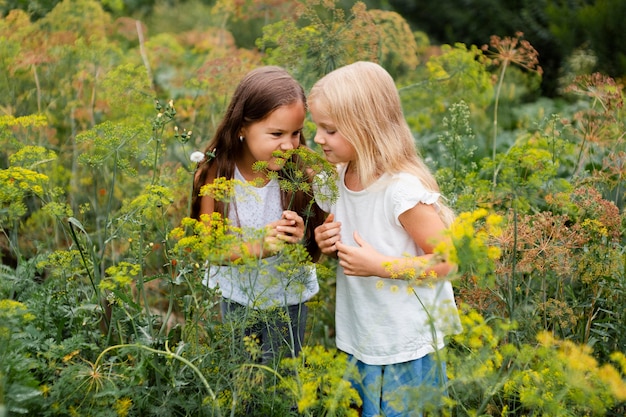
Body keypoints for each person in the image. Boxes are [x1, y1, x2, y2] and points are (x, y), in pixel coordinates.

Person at [310, 61, 462, 416]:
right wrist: (326, 243)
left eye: (330, 130)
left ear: (365, 128)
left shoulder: (401, 190)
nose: (318, 138)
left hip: (405, 342)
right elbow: (351, 250)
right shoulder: (334, 180)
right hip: (364, 333)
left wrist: (381, 266)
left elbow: (448, 261)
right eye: (317, 127)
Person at [190, 66, 325, 365]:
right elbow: (210, 248)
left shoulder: (301, 172)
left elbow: (318, 242)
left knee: (282, 376)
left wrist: (301, 234)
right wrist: (260, 247)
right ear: (241, 127)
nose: (289, 145)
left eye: (296, 133)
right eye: (276, 134)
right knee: (243, 375)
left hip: (289, 297)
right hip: (237, 296)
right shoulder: (217, 173)